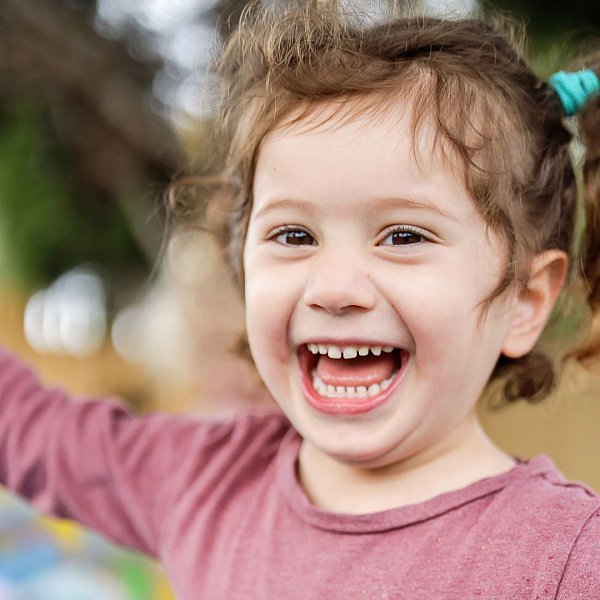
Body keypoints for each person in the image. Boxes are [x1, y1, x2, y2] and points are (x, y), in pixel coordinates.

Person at [1, 3, 600, 598]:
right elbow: (24, 426)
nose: (334, 288)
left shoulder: (566, 559)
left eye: (403, 236)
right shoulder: (206, 483)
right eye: (294, 236)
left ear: (523, 300)